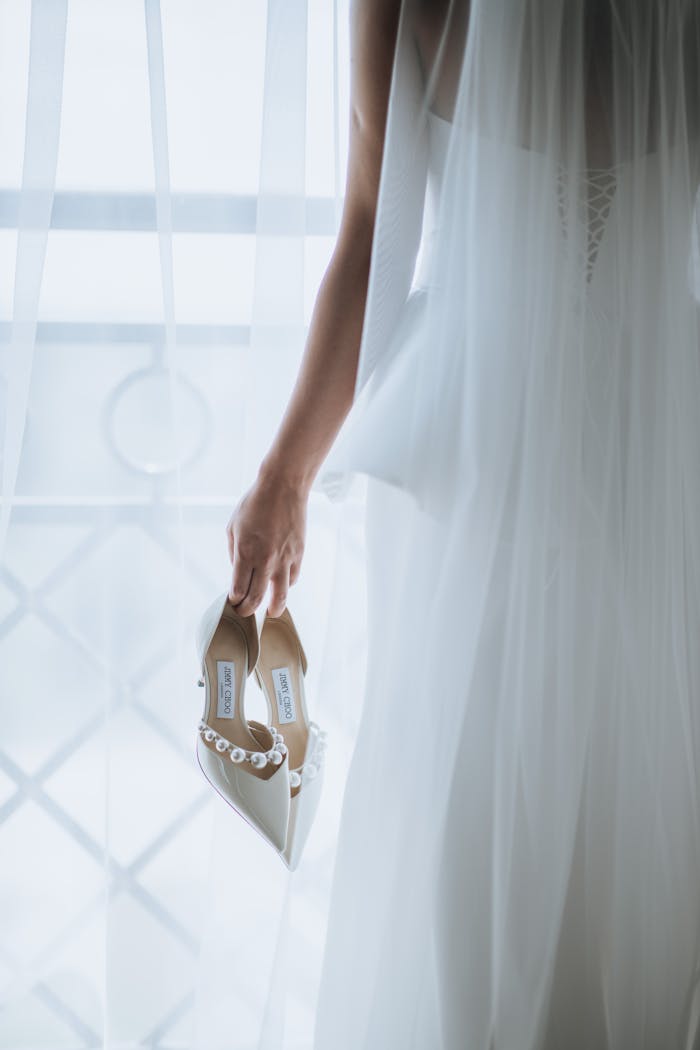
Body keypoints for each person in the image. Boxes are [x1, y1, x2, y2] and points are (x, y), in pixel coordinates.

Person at [226, 1, 700, 1047]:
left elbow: (366, 227)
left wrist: (286, 473)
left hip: (566, 467)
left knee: (579, 804)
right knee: (490, 801)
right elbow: (369, 228)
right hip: (558, 466)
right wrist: (285, 472)